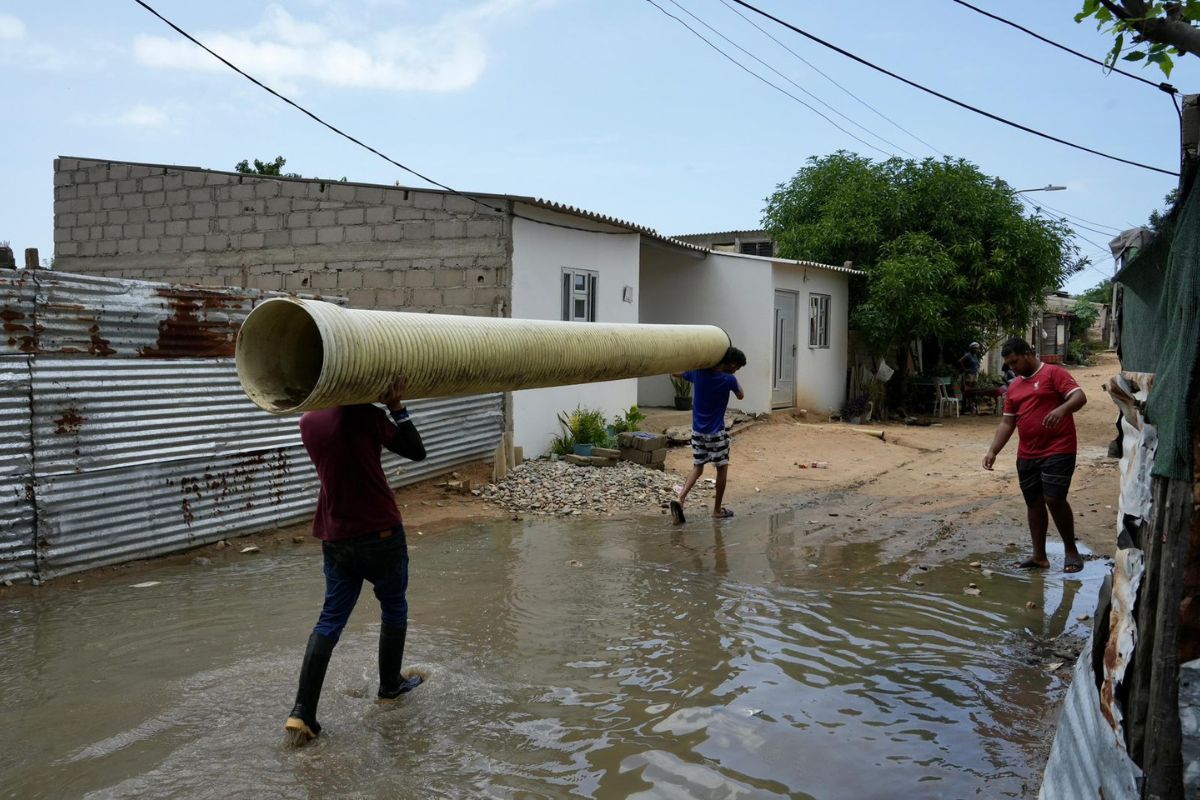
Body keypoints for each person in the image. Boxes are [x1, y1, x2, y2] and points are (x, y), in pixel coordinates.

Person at [284, 375, 427, 745]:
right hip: (380, 534)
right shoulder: (365, 416)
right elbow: (416, 450)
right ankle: (390, 686)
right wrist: (396, 408)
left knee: (329, 619)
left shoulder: (308, 421)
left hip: (337, 538)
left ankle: (302, 713)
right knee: (394, 608)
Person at [982, 338, 1087, 573]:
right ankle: (1039, 556)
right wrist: (993, 450)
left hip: (1059, 448)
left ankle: (1071, 551)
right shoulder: (1015, 386)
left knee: (1054, 498)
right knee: (1033, 502)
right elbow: (1007, 423)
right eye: (1009, 364)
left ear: (1027, 354)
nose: (1013, 367)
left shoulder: (1053, 373)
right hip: (1027, 453)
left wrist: (1061, 409)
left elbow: (1079, 397)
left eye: (1015, 362)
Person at [669, 346, 747, 523]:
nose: (736, 370)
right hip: (716, 433)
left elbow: (675, 372)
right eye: (737, 367)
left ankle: (680, 499)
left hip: (697, 432)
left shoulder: (698, 374)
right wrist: (733, 378)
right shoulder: (728, 379)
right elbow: (741, 395)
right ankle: (717, 510)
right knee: (722, 468)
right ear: (732, 364)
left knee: (698, 467)